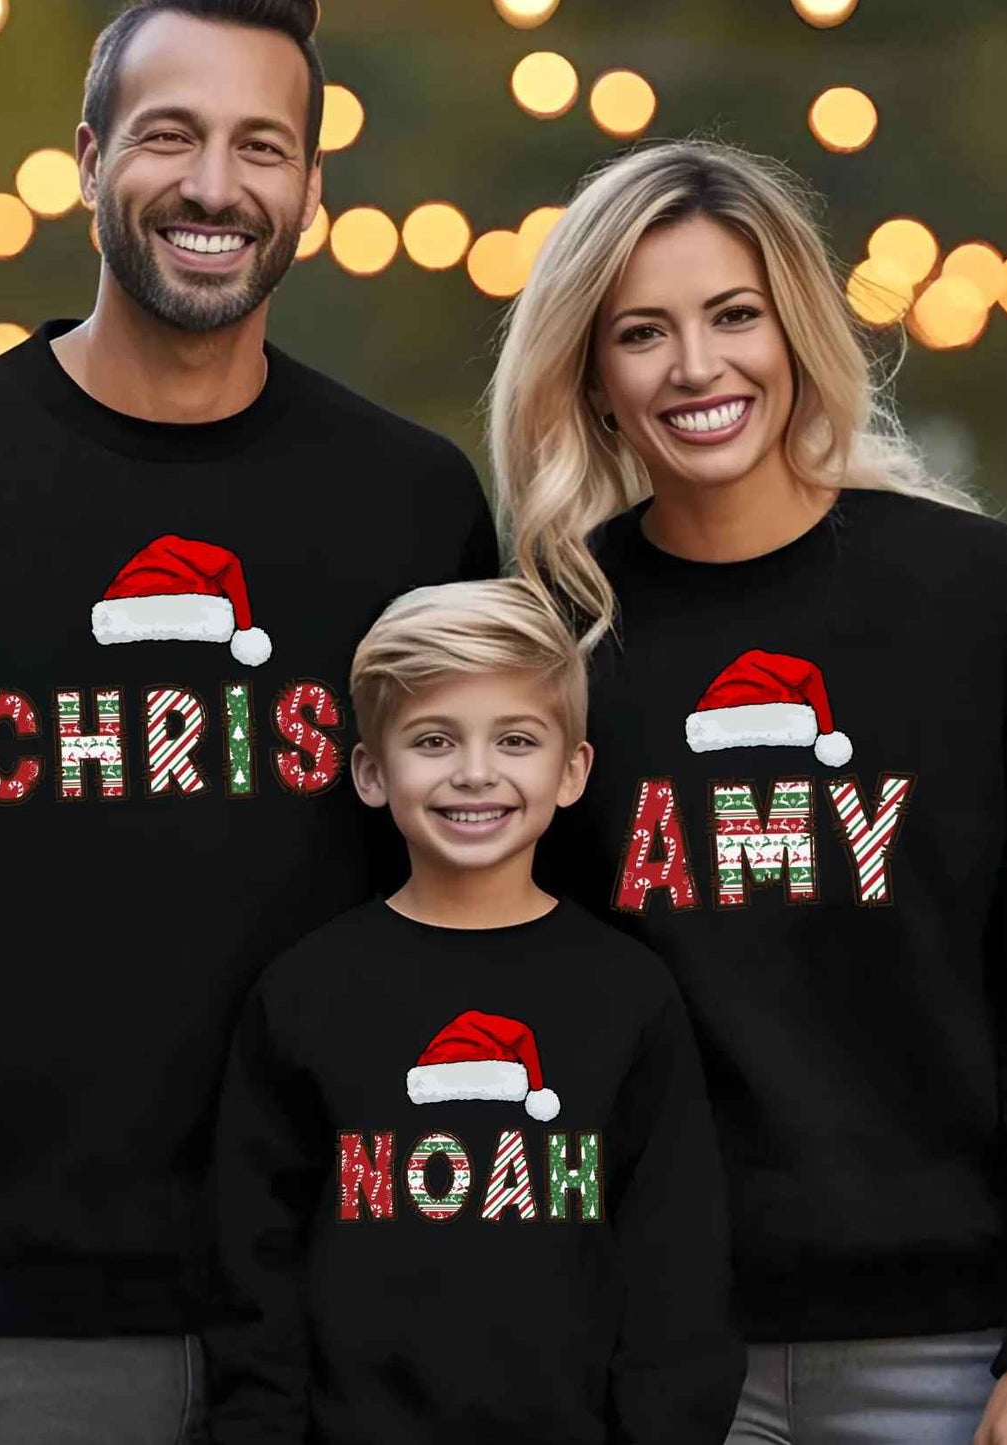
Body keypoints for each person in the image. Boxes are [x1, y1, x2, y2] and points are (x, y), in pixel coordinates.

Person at [0, 3, 495, 1443]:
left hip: (349, 1316)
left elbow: (496, 888)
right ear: (85, 160)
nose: (216, 184)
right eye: (169, 135)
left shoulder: (410, 508)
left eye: (262, 145)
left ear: (311, 191)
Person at [488, 139, 1007, 1445]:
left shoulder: (975, 600)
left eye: (733, 315)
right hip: (650, 1348)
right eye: (642, 331)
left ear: (793, 327)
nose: (697, 367)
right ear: (594, 375)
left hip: (943, 1346)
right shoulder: (555, 641)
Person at [205, 578, 744, 1445]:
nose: (474, 772)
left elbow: (674, 1268)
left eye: (517, 739)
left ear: (571, 772)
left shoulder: (627, 992)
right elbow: (253, 1266)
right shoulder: (306, 991)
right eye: (432, 739)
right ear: (372, 773)